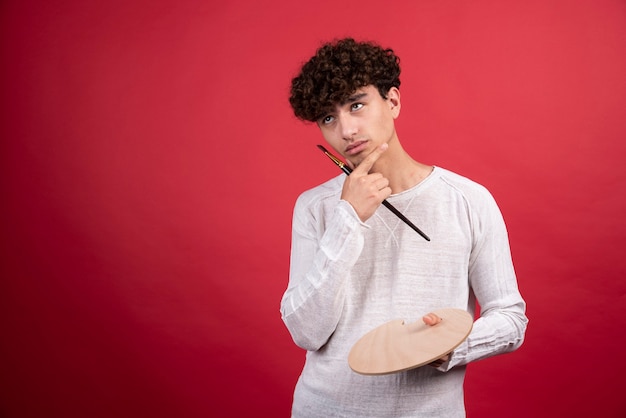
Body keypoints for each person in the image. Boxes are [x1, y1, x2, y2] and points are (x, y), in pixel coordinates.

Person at [280, 37, 528, 417]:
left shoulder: (467, 199)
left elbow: (510, 318)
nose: (346, 130)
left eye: (356, 105)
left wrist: (451, 346)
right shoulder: (317, 207)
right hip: (327, 408)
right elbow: (306, 331)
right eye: (328, 118)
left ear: (392, 102)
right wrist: (348, 217)